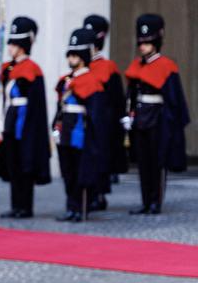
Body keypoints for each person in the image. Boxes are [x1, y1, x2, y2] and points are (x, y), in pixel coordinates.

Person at [123, 13, 191, 215]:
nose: (142, 46)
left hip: (158, 120)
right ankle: (145, 201)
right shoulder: (136, 65)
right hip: (142, 118)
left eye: (147, 42)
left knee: (157, 162)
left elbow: (173, 100)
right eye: (140, 42)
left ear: (156, 42)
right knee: (143, 163)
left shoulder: (166, 66)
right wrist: (129, 114)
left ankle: (156, 202)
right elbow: (132, 94)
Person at [0, 17, 51, 219]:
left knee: (24, 164)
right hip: (10, 118)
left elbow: (34, 103)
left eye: (14, 44)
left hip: (25, 122)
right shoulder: (8, 69)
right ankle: (15, 205)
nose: (10, 47)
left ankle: (25, 206)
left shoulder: (32, 69)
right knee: (13, 164)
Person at [53, 28, 108, 223]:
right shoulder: (66, 81)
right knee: (67, 171)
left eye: (76, 54)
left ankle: (81, 208)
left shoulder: (92, 82)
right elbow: (60, 107)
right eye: (71, 54)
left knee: (80, 172)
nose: (72, 58)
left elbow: (95, 115)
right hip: (66, 130)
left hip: (80, 132)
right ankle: (71, 207)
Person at [83, 14, 126, 211]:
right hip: (83, 119)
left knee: (99, 159)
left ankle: (98, 195)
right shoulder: (82, 66)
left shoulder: (108, 67)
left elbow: (117, 100)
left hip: (103, 122)